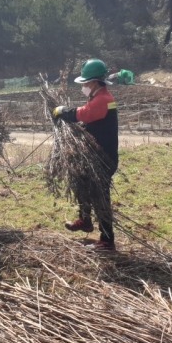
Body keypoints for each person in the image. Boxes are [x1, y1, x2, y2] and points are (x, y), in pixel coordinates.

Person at [52, 58, 119, 251]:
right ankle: (85, 220)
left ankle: (107, 240)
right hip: (94, 155)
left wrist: (63, 111)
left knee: (101, 199)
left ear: (95, 82)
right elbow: (92, 122)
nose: (84, 86)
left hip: (103, 159)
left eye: (86, 83)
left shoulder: (103, 100)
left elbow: (83, 114)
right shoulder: (97, 97)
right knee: (81, 182)